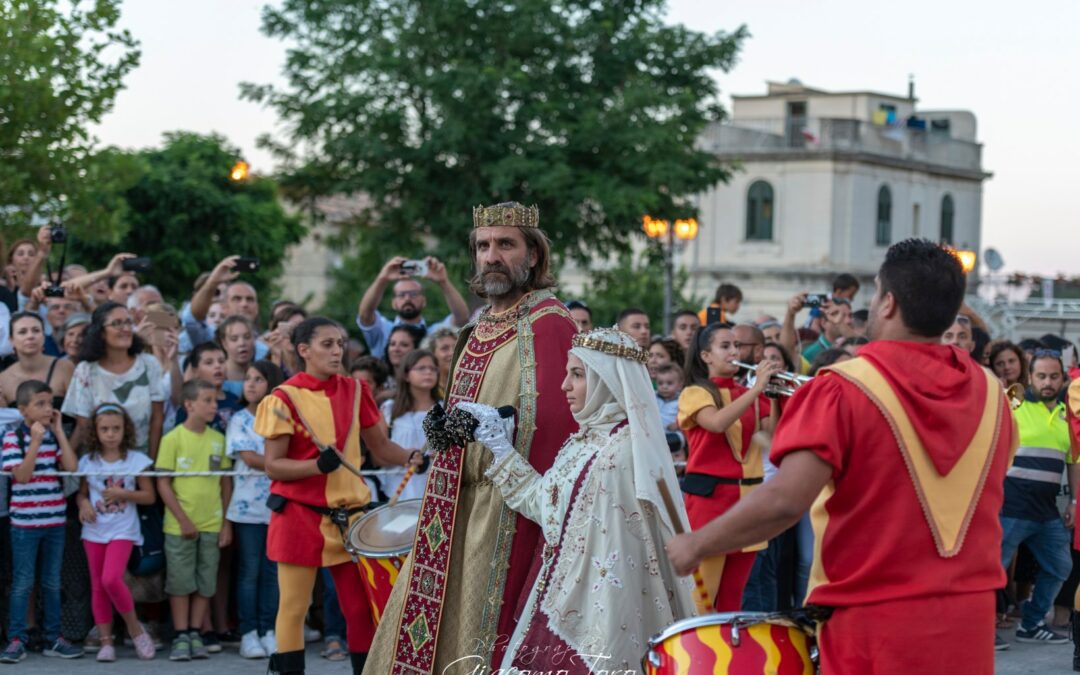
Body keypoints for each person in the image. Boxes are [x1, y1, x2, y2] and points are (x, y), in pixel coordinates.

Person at [666, 238, 1017, 674]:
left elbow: (785, 501)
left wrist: (694, 545)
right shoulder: (993, 395)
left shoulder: (842, 386)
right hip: (969, 625)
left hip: (870, 624)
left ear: (887, 303)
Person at [365, 203, 578, 674]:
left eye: (506, 244)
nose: (491, 256)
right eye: (483, 246)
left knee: (487, 628)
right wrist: (445, 427)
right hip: (451, 503)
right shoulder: (476, 324)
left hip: (508, 507)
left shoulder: (549, 322)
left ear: (533, 257)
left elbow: (559, 420)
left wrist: (500, 424)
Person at [458, 328, 695, 671]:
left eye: (578, 375)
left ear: (608, 381)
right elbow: (547, 506)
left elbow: (615, 556)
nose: (564, 386)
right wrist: (500, 446)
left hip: (598, 605)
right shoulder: (583, 441)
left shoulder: (623, 452)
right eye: (568, 373)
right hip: (560, 590)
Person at [254, 317, 423, 675]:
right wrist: (317, 467)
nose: (337, 351)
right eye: (327, 344)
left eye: (340, 343)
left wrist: (411, 457)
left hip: (352, 518)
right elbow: (273, 466)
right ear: (304, 351)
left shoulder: (357, 391)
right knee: (294, 607)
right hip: (299, 516)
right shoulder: (282, 398)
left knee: (359, 608)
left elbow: (380, 447)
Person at [677, 322, 778, 610]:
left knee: (734, 601)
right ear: (706, 356)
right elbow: (717, 423)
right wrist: (757, 388)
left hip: (749, 504)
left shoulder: (750, 394)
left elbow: (773, 438)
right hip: (710, 503)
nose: (734, 351)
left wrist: (774, 397)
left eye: (736, 345)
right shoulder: (695, 393)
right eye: (725, 346)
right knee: (702, 601)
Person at [0, 381, 82, 662]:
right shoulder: (14, 438)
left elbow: (71, 467)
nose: (49, 409)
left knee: (51, 581)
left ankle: (53, 638)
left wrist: (58, 432)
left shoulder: (52, 436)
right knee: (23, 582)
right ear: (23, 410)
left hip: (54, 521)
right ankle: (16, 639)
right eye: (40, 404)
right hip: (24, 525)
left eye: (50, 404)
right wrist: (34, 442)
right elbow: (21, 476)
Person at [999, 351, 1074, 645]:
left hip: (1046, 513)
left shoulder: (1068, 414)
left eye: (1053, 376)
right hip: (1010, 507)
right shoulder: (1014, 400)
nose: (1047, 382)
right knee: (992, 570)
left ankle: (1030, 624)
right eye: (1041, 375)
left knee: (1060, 567)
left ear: (1063, 378)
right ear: (1030, 377)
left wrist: (1075, 502)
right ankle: (979, 629)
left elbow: (1073, 460)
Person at [156, 379, 233, 662]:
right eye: (208, 400)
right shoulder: (172, 439)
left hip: (211, 524)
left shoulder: (218, 440)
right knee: (179, 582)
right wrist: (183, 519)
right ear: (189, 405)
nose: (214, 406)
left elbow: (225, 484)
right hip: (179, 527)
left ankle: (195, 632)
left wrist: (225, 522)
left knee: (205, 582)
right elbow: (163, 484)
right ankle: (180, 635)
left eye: (215, 400)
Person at [75, 404, 157, 662]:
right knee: (98, 586)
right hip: (94, 530)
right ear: (95, 431)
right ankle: (106, 641)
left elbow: (149, 496)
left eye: (116, 429)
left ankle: (135, 629)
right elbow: (81, 493)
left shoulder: (136, 460)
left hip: (123, 529)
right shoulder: (87, 461)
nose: (110, 434)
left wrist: (125, 494)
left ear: (125, 430)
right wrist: (83, 503)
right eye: (104, 429)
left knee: (112, 579)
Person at [227, 361, 285, 660]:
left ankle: (269, 630)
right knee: (249, 571)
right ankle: (249, 633)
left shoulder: (281, 416)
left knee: (272, 572)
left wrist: (285, 463)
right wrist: (282, 464)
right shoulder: (238, 419)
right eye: (247, 379)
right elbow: (249, 458)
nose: (250, 384)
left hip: (278, 506)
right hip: (247, 510)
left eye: (259, 379)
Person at [62, 302, 166, 457]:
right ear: (101, 332)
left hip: (142, 458)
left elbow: (157, 419)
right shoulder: (86, 370)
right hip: (100, 460)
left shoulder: (149, 364)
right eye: (117, 323)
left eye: (128, 322)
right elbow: (84, 423)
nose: (125, 329)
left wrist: (150, 463)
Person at [355, 256, 470, 359]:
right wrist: (382, 278)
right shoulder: (383, 331)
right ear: (393, 303)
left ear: (424, 301)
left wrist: (443, 281)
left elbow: (462, 318)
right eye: (401, 295)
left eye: (413, 294)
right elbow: (365, 315)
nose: (407, 299)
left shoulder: (435, 334)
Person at [379, 349, 438, 502]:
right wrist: (405, 456)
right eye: (421, 368)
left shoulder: (445, 410)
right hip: (396, 492)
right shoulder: (389, 409)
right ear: (406, 375)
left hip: (434, 492)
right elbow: (377, 454)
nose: (428, 372)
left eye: (432, 368)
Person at [0, 312, 73, 407]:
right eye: (22, 332)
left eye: (36, 330)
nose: (30, 336)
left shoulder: (65, 368)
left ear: (43, 336)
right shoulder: (3, 379)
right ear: (11, 340)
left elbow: (79, 412)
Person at [218, 315, 258, 398]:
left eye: (247, 337)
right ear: (224, 343)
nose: (242, 343)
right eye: (234, 339)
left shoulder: (262, 372)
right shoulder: (217, 375)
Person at [421, 326, 458, 396]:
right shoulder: (426, 391)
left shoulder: (471, 386)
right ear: (431, 354)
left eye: (456, 347)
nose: (452, 353)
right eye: (445, 348)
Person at [654, 362, 683, 431]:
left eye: (669, 383)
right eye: (660, 383)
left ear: (679, 385)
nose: (664, 387)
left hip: (672, 434)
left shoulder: (682, 401)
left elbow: (687, 418)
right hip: (654, 433)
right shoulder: (653, 397)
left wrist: (678, 424)